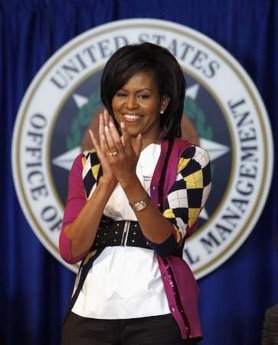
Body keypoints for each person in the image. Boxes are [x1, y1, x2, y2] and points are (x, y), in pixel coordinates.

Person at [59, 42, 212, 345]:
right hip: (89, 316)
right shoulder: (87, 164)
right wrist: (107, 181)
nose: (130, 106)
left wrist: (129, 179)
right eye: (121, 94)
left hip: (157, 317)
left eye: (143, 96)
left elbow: (166, 240)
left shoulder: (191, 160)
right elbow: (71, 249)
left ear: (163, 102)